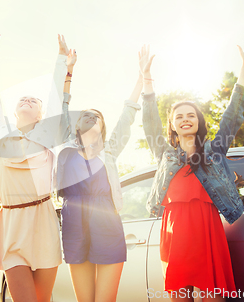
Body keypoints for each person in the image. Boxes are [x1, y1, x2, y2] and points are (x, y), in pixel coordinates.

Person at [140, 41, 244, 302]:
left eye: (191, 115)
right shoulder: (164, 153)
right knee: (179, 296)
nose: (185, 119)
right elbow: (149, 120)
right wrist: (147, 78)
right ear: (172, 124)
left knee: (213, 295)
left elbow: (233, 116)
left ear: (198, 121)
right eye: (179, 116)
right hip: (174, 228)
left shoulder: (214, 150)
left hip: (207, 226)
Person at [0, 32, 77, 302]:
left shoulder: (46, 137)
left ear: (42, 115)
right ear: (15, 110)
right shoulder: (0, 135)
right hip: (12, 223)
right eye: (22, 99)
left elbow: (55, 96)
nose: (27, 100)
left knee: (43, 299)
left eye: (34, 101)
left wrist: (60, 62)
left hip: (43, 220)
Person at [56, 55, 144, 302]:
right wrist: (68, 73)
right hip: (74, 223)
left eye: (97, 116)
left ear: (103, 126)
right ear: (76, 125)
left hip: (106, 223)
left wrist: (140, 80)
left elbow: (127, 116)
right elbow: (61, 107)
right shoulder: (66, 148)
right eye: (86, 115)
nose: (91, 117)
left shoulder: (110, 150)